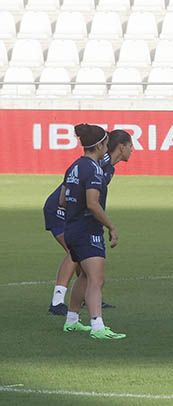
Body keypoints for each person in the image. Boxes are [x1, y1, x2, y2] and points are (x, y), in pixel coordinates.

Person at [45, 130, 131, 315]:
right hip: (61, 209)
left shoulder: (108, 167)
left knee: (82, 256)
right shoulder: (100, 162)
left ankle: (89, 295)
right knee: (75, 252)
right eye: (131, 146)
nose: (133, 150)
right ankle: (58, 301)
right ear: (122, 147)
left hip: (68, 207)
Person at [59, 124, 126, 339]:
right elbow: (93, 203)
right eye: (106, 143)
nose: (107, 147)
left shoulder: (74, 167)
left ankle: (72, 320)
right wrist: (111, 226)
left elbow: (62, 200)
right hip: (87, 230)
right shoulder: (94, 169)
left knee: (86, 277)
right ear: (99, 145)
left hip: (71, 228)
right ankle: (98, 327)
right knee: (97, 279)